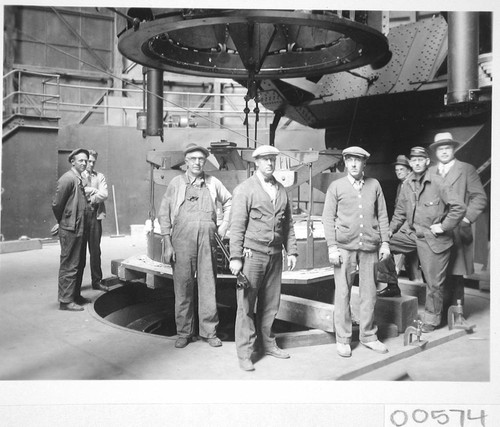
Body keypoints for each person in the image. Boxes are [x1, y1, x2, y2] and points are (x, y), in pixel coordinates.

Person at [229, 145, 298, 372]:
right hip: (252, 257)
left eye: (272, 160)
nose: (269, 163)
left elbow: (288, 224)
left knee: (271, 304)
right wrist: (236, 257)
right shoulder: (244, 190)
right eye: (265, 160)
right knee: (246, 306)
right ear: (256, 162)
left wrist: (292, 250)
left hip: (275, 256)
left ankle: (268, 344)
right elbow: (237, 227)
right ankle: (245, 353)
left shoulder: (281, 189)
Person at [158, 144, 232, 349]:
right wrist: (167, 243)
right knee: (183, 286)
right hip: (181, 239)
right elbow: (163, 213)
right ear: (186, 162)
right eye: (193, 158)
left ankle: (209, 332)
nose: (198, 162)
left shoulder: (213, 182)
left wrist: (224, 227)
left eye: (201, 159)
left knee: (208, 286)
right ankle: (184, 332)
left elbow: (230, 202)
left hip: (208, 240)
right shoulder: (176, 183)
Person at [322, 146, 391, 358]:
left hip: (370, 247)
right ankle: (343, 339)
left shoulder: (374, 185)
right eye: (350, 160)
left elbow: (382, 216)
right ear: (344, 162)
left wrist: (385, 243)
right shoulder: (336, 187)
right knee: (342, 293)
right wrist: (332, 246)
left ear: (364, 164)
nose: (353, 164)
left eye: (358, 160)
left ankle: (369, 336)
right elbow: (327, 218)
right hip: (344, 248)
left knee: (369, 293)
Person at [389, 146, 466, 332]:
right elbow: (400, 212)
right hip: (412, 235)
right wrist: (389, 232)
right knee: (381, 244)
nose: (416, 163)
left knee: (433, 283)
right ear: (410, 163)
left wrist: (443, 226)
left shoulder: (439, 182)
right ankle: (391, 284)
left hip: (434, 239)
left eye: (420, 159)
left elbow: (459, 207)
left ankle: (432, 320)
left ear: (427, 162)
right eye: (413, 160)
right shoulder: (407, 184)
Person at [428, 132, 487, 317]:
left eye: (448, 147)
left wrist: (465, 219)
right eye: (440, 148)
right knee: (436, 273)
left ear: (453, 149)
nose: (444, 151)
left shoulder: (466, 169)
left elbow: (479, 198)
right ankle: (439, 312)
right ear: (435, 151)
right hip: (435, 231)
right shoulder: (430, 172)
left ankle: (456, 313)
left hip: (457, 231)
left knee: (456, 273)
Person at [52, 148, 91, 311]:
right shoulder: (67, 179)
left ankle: (75, 295)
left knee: (79, 263)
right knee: (69, 264)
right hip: (70, 228)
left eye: (86, 160)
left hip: (79, 227)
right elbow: (56, 204)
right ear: (72, 161)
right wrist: (64, 221)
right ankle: (65, 301)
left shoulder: (79, 179)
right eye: (80, 160)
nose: (84, 163)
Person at [377, 154, 421, 297]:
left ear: (409, 170)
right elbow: (399, 211)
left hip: (415, 230)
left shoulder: (414, 183)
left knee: (416, 263)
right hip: (404, 229)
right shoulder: (400, 185)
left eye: (402, 169)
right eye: (397, 170)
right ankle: (394, 284)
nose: (399, 172)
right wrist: (390, 229)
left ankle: (399, 284)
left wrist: (396, 230)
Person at [82, 149, 108, 292]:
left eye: (93, 161)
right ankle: (75, 285)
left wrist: (90, 196)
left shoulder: (100, 176)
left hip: (95, 216)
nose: (90, 164)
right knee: (79, 253)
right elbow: (79, 192)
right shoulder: (78, 176)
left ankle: (96, 281)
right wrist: (94, 190)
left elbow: (104, 194)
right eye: (88, 161)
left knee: (95, 251)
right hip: (81, 217)